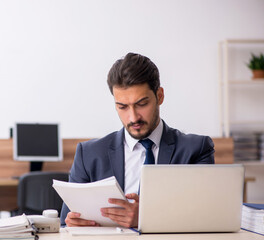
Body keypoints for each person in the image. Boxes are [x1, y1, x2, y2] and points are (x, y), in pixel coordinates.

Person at [60, 52, 215, 228]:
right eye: (122, 107)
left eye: (142, 104)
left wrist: (146, 218)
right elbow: (65, 224)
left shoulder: (196, 149)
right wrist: (72, 225)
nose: (133, 117)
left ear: (160, 96)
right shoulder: (88, 154)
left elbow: (207, 218)